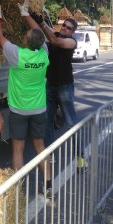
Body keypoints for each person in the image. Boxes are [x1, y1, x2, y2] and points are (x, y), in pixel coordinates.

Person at [0, 0, 52, 191]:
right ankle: (49, 185)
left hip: (19, 110)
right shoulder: (44, 54)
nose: (23, 37)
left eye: (25, 36)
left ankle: (17, 187)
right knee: (40, 147)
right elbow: (40, 35)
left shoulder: (17, 55)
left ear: (26, 42)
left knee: (17, 148)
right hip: (39, 109)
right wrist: (25, 15)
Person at [29, 12, 78, 144]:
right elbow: (41, 30)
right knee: (47, 122)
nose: (64, 28)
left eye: (68, 28)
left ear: (72, 32)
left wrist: (42, 23)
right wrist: (30, 17)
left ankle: (80, 155)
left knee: (70, 122)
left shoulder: (71, 42)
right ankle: (49, 157)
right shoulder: (55, 35)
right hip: (50, 86)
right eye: (64, 25)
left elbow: (54, 40)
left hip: (65, 88)